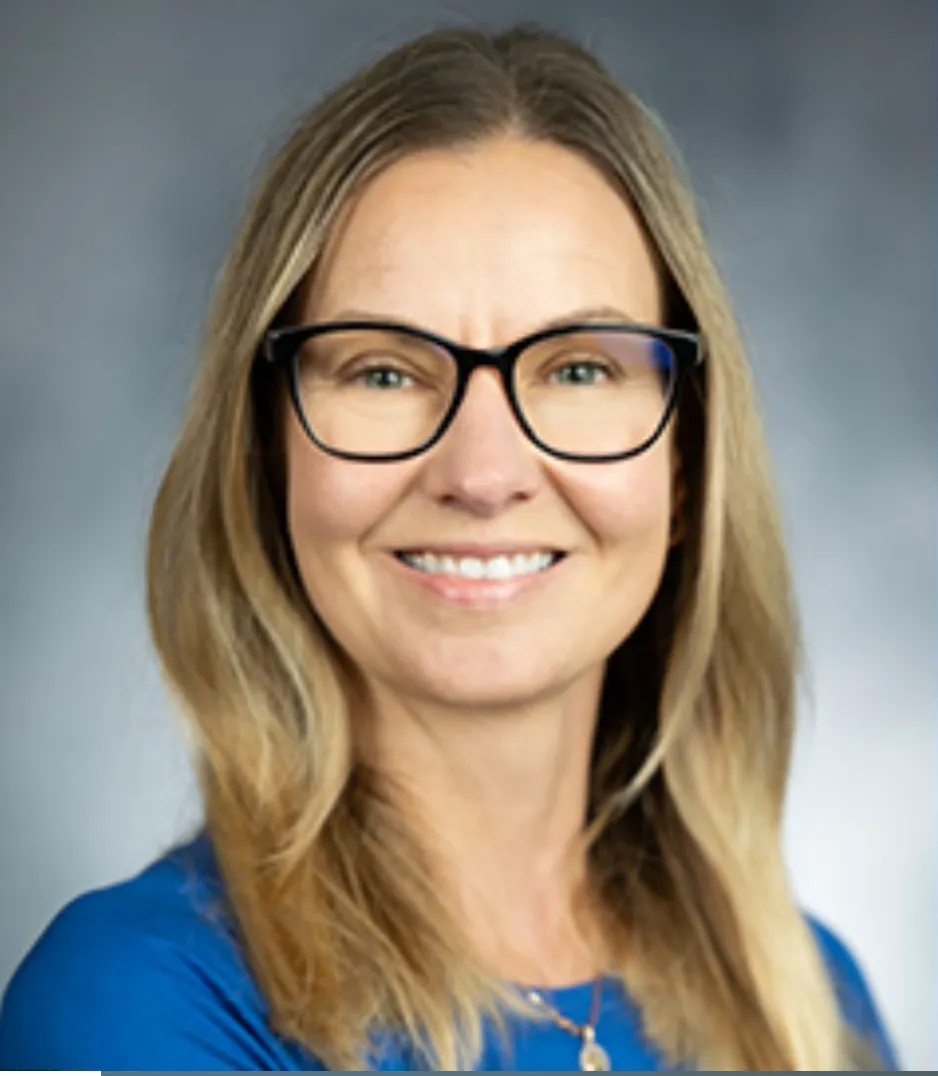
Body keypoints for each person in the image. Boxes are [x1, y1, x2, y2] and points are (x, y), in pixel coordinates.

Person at [0, 24, 899, 1072]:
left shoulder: (805, 994)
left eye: (576, 369)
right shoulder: (135, 1000)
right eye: (383, 370)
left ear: (687, 464)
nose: (481, 472)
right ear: (266, 457)